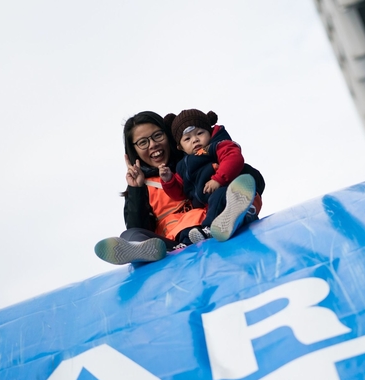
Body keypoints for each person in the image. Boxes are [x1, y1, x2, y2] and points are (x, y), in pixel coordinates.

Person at [94, 111, 209, 265]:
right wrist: (136, 189)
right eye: (143, 142)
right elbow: (140, 226)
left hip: (206, 230)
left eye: (157, 136)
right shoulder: (142, 186)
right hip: (174, 247)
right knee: (130, 234)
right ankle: (139, 250)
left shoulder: (191, 162)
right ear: (134, 151)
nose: (153, 144)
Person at [159, 108, 263, 243]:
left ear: (209, 131)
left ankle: (216, 226)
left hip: (232, 192)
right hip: (210, 208)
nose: (195, 140)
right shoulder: (182, 167)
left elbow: (233, 158)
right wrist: (168, 181)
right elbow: (181, 193)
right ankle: (183, 242)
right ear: (180, 147)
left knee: (220, 195)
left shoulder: (216, 146)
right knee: (188, 229)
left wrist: (218, 179)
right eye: (187, 139)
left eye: (200, 133)